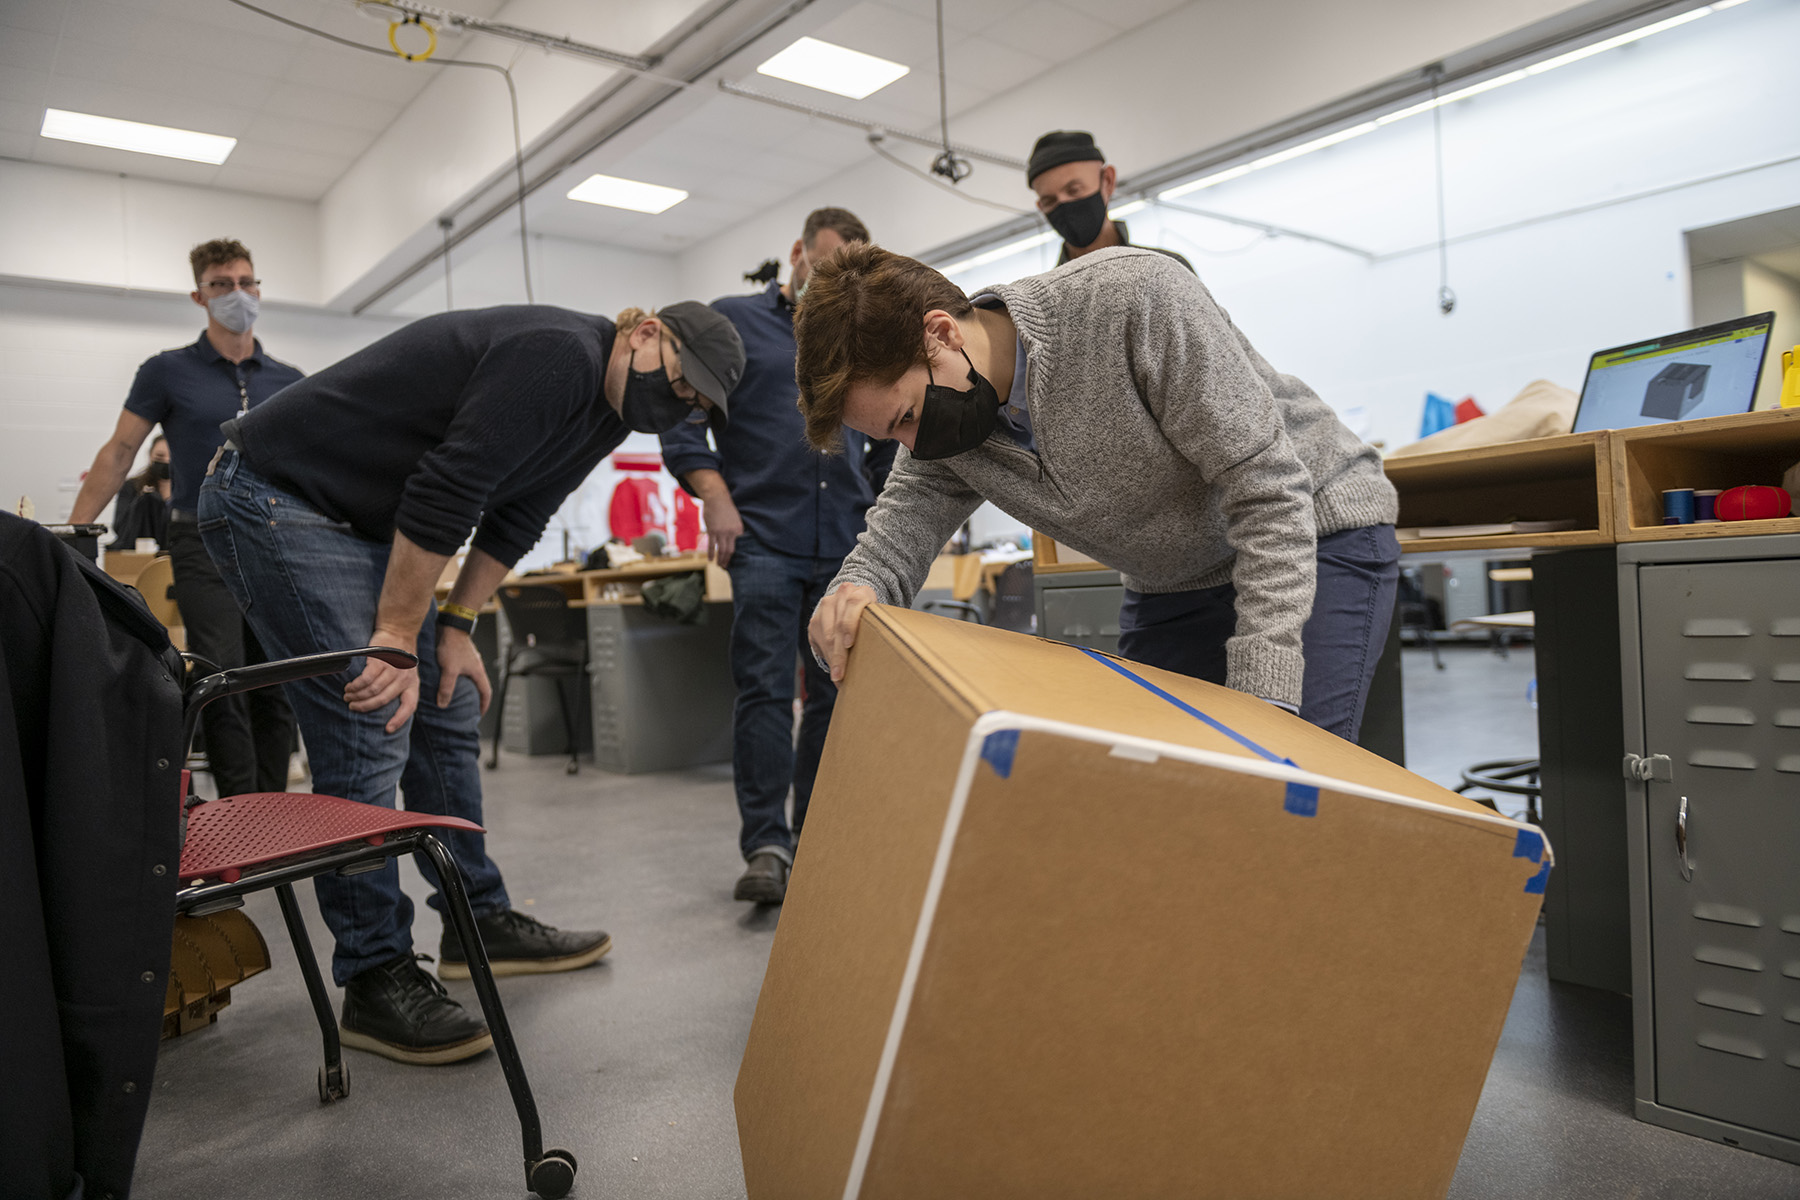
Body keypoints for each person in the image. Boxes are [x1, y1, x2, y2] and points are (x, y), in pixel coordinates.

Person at [199, 300, 745, 1065]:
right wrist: (394, 637)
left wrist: (455, 627)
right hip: (273, 495)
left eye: (693, 406)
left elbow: (520, 511)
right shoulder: (563, 355)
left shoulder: (610, 411)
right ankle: (373, 974)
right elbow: (449, 487)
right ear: (647, 332)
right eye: (682, 383)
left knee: (446, 703)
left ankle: (474, 916)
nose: (678, 406)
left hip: (365, 524)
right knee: (373, 715)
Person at [799, 244, 1401, 741]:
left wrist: (1264, 690)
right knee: (1153, 788)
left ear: (941, 333)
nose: (915, 445)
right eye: (891, 436)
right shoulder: (944, 438)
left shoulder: (1131, 299)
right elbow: (890, 545)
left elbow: (1267, 488)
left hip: (1314, 524)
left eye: (906, 417)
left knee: (1290, 776)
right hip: (1178, 578)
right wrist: (855, 592)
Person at [660, 207, 894, 905]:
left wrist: (884, 519)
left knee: (833, 692)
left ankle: (816, 836)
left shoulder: (851, 332)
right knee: (764, 692)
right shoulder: (730, 324)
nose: (832, 284)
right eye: (824, 268)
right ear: (797, 252)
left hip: (845, 544)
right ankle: (766, 844)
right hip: (762, 537)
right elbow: (682, 424)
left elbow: (886, 437)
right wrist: (715, 497)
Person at [69, 239, 299, 798]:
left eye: (247, 282)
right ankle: (242, 815)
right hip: (202, 537)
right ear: (200, 295)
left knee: (279, 681)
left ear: (259, 288)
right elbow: (121, 451)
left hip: (276, 541)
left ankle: (276, 813)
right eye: (223, 284)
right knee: (223, 676)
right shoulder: (167, 371)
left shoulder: (289, 379)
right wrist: (76, 534)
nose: (237, 294)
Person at [1027, 130, 1194, 271]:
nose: (1063, 204)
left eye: (1074, 190)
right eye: (1049, 201)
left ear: (1107, 181)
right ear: (1040, 207)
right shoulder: (1044, 301)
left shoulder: (1167, 269)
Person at [108, 434, 171, 551]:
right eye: (160, 457)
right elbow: (119, 525)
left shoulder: (187, 491)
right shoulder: (131, 487)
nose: (166, 461)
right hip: (136, 554)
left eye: (171, 456)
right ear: (150, 455)